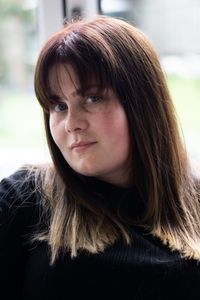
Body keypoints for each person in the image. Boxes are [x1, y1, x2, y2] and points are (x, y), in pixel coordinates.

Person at [0, 15, 200, 300]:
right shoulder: (24, 199)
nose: (71, 123)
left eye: (93, 98)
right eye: (58, 106)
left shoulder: (196, 202)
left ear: (143, 106)